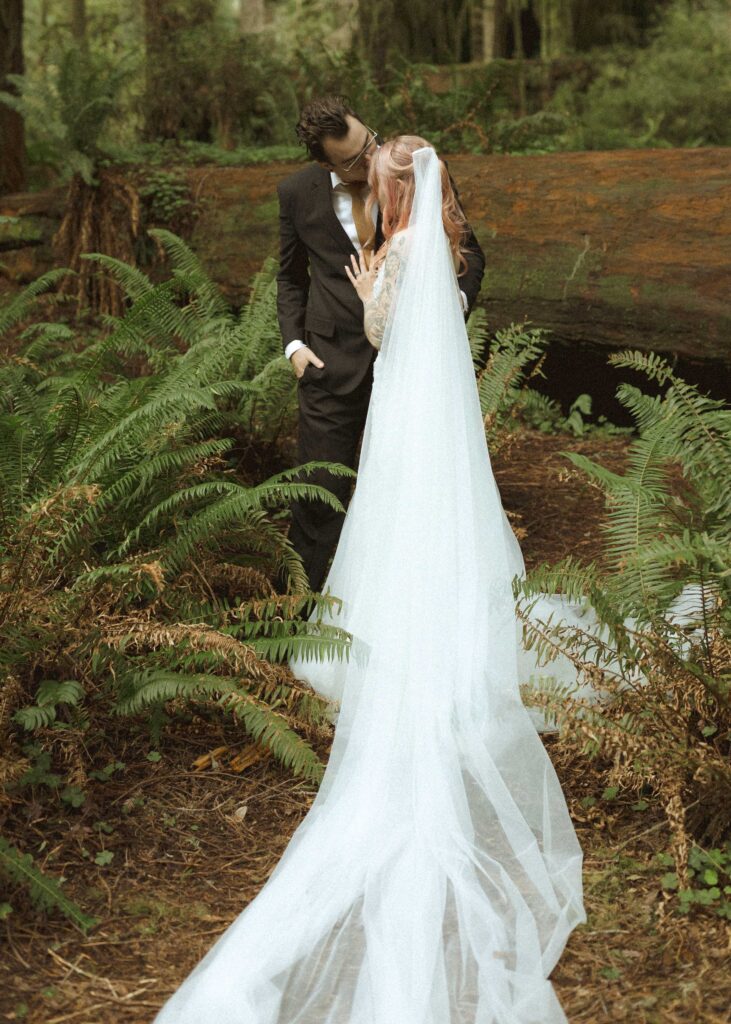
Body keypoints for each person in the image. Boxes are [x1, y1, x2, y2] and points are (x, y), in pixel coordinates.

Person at [151, 138, 586, 1024]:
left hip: (400, 408)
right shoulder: (445, 247)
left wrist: (361, 291)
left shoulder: (399, 249)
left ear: (396, 189)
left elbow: (384, 334)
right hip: (432, 411)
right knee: (435, 515)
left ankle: (401, 622)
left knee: (391, 517)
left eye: (379, 186)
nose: (371, 197)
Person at [277, 95, 486, 593]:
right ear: (324, 164)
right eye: (352, 159)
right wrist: (294, 347)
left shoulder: (411, 166)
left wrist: (444, 307)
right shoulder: (296, 193)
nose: (369, 158)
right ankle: (294, 619)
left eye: (368, 140)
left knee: (407, 497)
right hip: (329, 364)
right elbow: (289, 278)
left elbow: (468, 248)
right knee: (318, 496)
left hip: (412, 368)